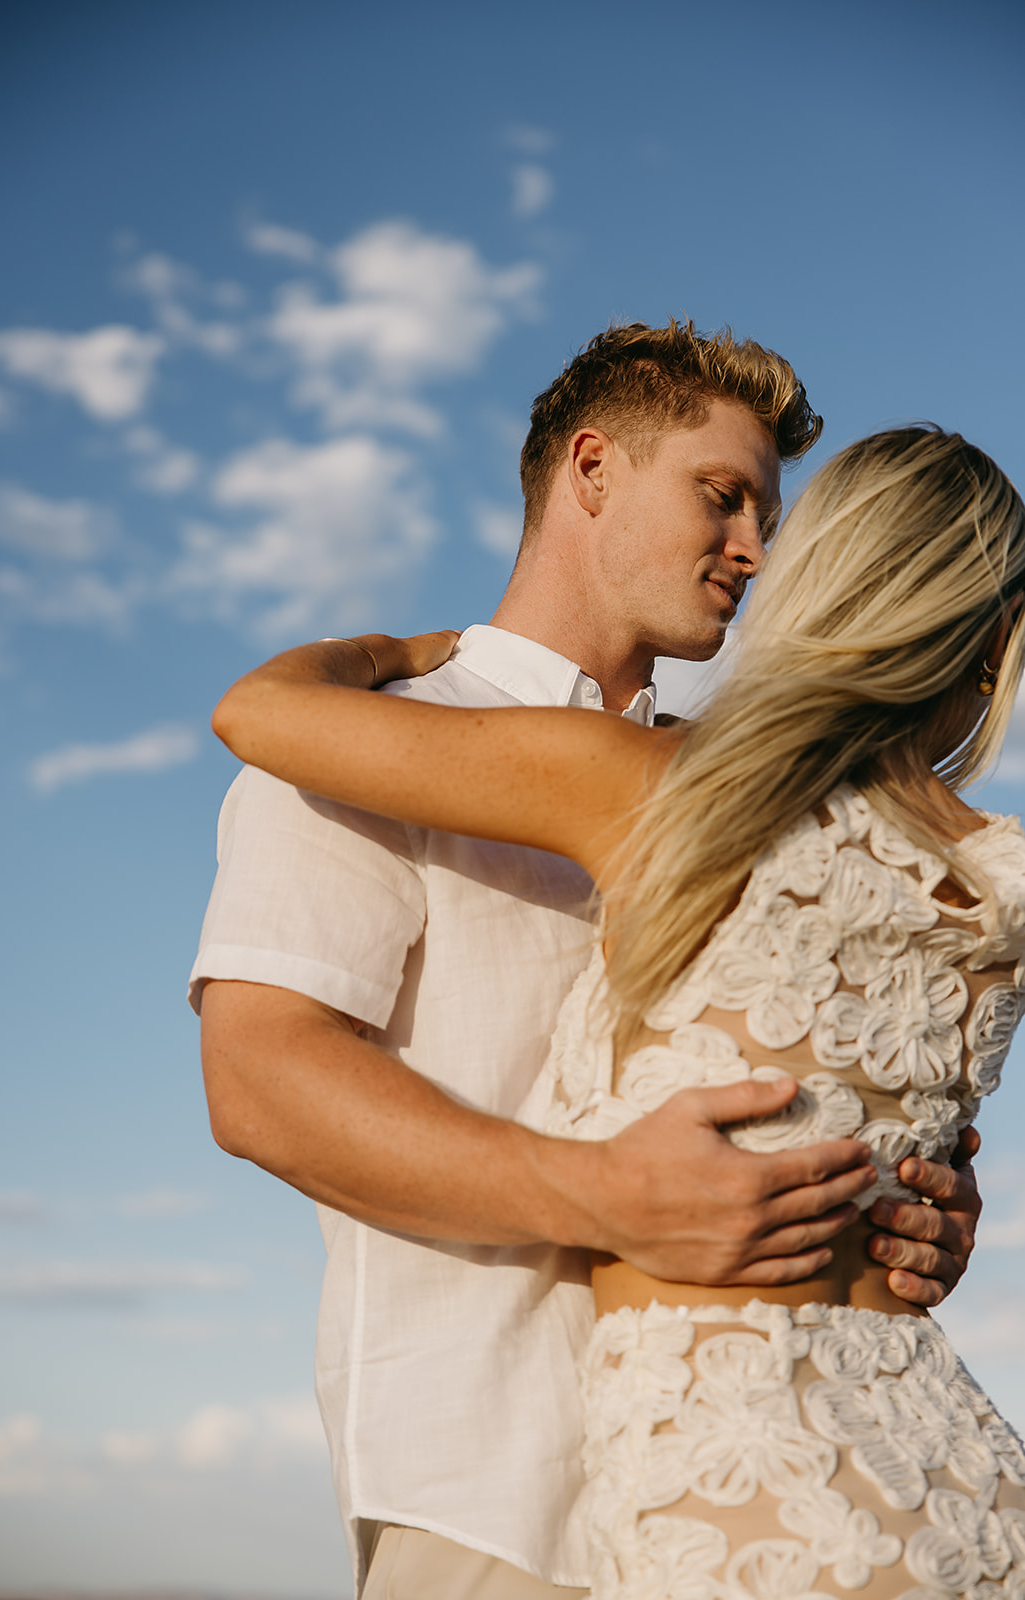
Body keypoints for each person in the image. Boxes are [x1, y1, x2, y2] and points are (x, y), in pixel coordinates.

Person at [192, 324, 980, 1598]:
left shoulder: (749, 793)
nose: (752, 550)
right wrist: (601, 1195)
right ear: (592, 466)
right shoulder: (360, 749)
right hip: (497, 1487)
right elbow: (261, 1085)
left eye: (768, 517)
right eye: (719, 497)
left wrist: (894, 1212)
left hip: (768, 1484)